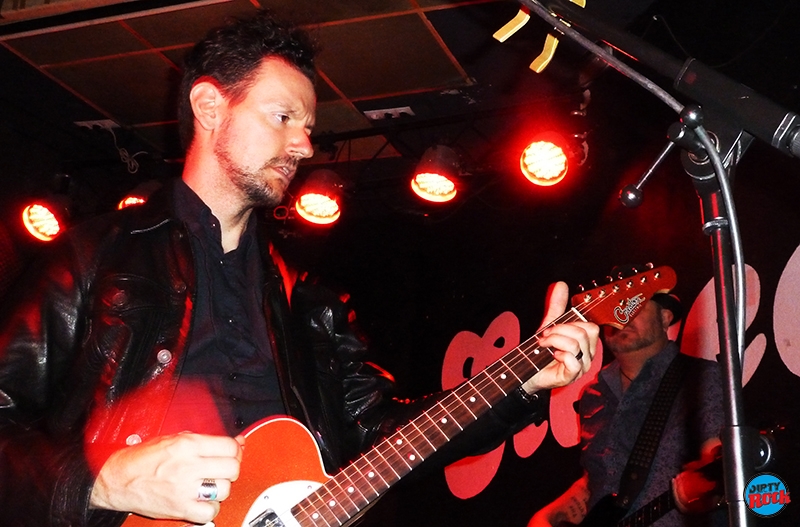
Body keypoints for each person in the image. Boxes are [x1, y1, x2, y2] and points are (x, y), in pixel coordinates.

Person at [0, 11, 598, 527]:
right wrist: (100, 483)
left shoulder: (308, 298)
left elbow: (385, 434)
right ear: (209, 106)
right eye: (283, 117)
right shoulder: (95, 255)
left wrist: (521, 385)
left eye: (309, 128)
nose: (305, 146)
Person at [528, 275, 724, 527]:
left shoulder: (701, 376)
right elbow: (600, 476)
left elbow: (719, 459)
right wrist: (551, 515)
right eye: (612, 308)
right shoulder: (593, 394)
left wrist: (710, 483)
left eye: (634, 304)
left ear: (665, 317)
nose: (621, 315)